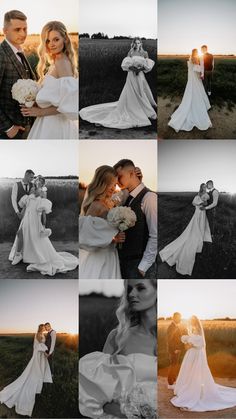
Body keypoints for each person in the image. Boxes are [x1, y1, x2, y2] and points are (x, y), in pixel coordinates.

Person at [79, 279, 157, 418]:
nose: (132, 294)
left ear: (157, 291)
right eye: (129, 289)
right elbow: (99, 393)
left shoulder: (173, 337)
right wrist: (126, 413)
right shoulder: (118, 337)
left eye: (140, 288)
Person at [79, 37, 156, 129]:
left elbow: (148, 65)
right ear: (133, 44)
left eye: (139, 43)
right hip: (131, 75)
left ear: (141, 44)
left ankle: (143, 108)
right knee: (131, 90)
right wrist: (133, 69)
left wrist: (139, 69)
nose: (137, 45)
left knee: (140, 91)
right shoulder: (130, 52)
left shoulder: (145, 53)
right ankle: (131, 107)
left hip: (140, 75)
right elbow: (126, 64)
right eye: (135, 43)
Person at [21, 21, 78, 139]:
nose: (51, 44)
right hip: (47, 122)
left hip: (54, 125)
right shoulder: (56, 61)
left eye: (56, 39)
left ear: (65, 39)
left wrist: (39, 112)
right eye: (47, 40)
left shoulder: (61, 62)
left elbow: (69, 102)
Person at [9, 185, 79, 275]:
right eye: (31, 189)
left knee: (35, 239)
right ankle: (18, 254)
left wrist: (44, 225)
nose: (33, 190)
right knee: (19, 233)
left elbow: (43, 215)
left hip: (34, 222)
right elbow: (24, 211)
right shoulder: (26, 198)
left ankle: (35, 255)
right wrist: (20, 214)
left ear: (39, 191)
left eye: (35, 189)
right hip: (26, 220)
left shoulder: (41, 201)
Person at [170, 315, 236, 412]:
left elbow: (195, 345)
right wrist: (188, 343)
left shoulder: (198, 334)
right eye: (190, 321)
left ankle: (192, 391)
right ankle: (187, 388)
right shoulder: (192, 331)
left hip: (195, 355)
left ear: (195, 322)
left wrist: (189, 342)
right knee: (189, 372)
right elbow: (188, 346)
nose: (191, 323)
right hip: (191, 355)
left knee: (194, 372)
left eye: (192, 321)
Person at [114, 159, 157, 279]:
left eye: (120, 176)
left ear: (132, 173)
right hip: (124, 262)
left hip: (139, 264)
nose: (117, 181)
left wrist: (143, 266)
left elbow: (155, 234)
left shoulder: (149, 197)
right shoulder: (127, 197)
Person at [79, 165, 125, 279]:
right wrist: (113, 239)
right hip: (100, 256)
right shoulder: (96, 205)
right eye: (112, 184)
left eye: (116, 184)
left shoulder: (108, 203)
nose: (114, 188)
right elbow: (87, 233)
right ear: (103, 184)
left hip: (110, 254)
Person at [159, 183, 212, 276]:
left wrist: (204, 202)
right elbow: (193, 203)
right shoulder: (197, 195)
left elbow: (206, 203)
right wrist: (199, 203)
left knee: (201, 225)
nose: (204, 188)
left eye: (205, 187)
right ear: (201, 187)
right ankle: (195, 236)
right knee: (194, 226)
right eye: (203, 187)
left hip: (202, 212)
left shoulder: (206, 195)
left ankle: (199, 235)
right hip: (197, 212)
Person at [0, 324, 52, 417]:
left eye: (45, 327)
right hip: (38, 355)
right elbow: (39, 345)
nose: (44, 328)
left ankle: (38, 378)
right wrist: (45, 352)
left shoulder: (42, 334)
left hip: (40, 355)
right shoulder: (38, 334)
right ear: (41, 328)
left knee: (38, 369)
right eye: (43, 327)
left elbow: (42, 344)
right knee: (35, 370)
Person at [0, 10, 36, 139]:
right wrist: (8, 128)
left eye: (25, 29)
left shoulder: (20, 52)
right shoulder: (1, 54)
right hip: (8, 133)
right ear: (5, 31)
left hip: (27, 128)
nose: (23, 33)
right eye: (17, 29)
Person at [168, 48, 212, 132]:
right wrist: (201, 72)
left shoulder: (191, 57)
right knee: (197, 91)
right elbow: (196, 68)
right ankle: (198, 106)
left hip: (191, 79)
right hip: (195, 78)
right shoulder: (195, 58)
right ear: (196, 53)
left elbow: (191, 68)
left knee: (192, 91)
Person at [167, 312, 187, 388]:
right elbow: (170, 340)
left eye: (180, 317)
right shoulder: (171, 327)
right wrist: (175, 349)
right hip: (174, 350)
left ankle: (173, 380)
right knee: (173, 365)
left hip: (177, 350)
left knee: (175, 365)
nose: (180, 319)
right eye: (179, 318)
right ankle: (170, 384)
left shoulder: (176, 326)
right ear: (174, 318)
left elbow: (177, 339)